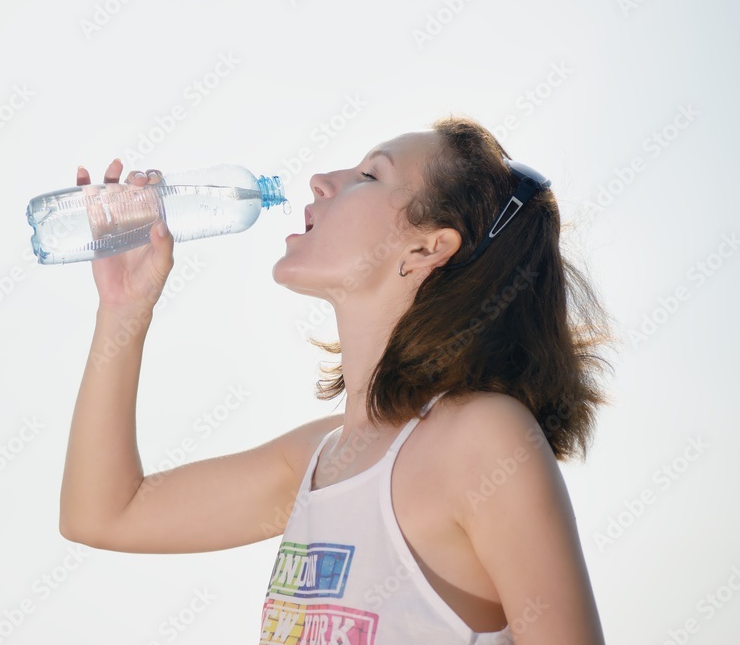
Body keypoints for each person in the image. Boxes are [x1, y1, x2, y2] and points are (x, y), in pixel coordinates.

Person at [59, 115, 614, 643]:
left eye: (370, 175)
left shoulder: (483, 439)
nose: (321, 181)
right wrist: (124, 308)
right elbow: (102, 514)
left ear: (427, 248)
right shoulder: (319, 460)